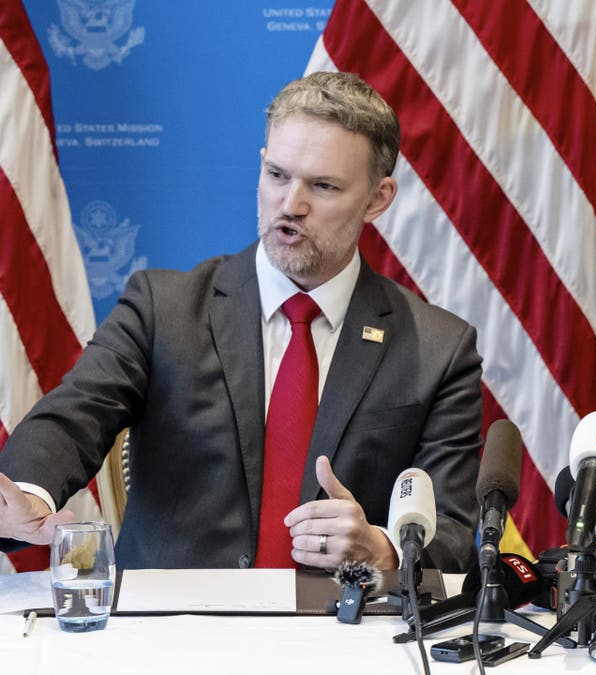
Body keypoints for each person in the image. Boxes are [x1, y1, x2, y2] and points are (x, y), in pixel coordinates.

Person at [0, 72, 483, 572]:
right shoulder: (162, 309)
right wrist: (29, 491)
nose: (291, 205)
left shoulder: (438, 349)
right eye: (277, 175)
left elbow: (452, 533)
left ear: (378, 199)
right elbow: (77, 413)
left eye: (322, 186)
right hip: (175, 631)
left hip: (342, 636)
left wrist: (382, 549)